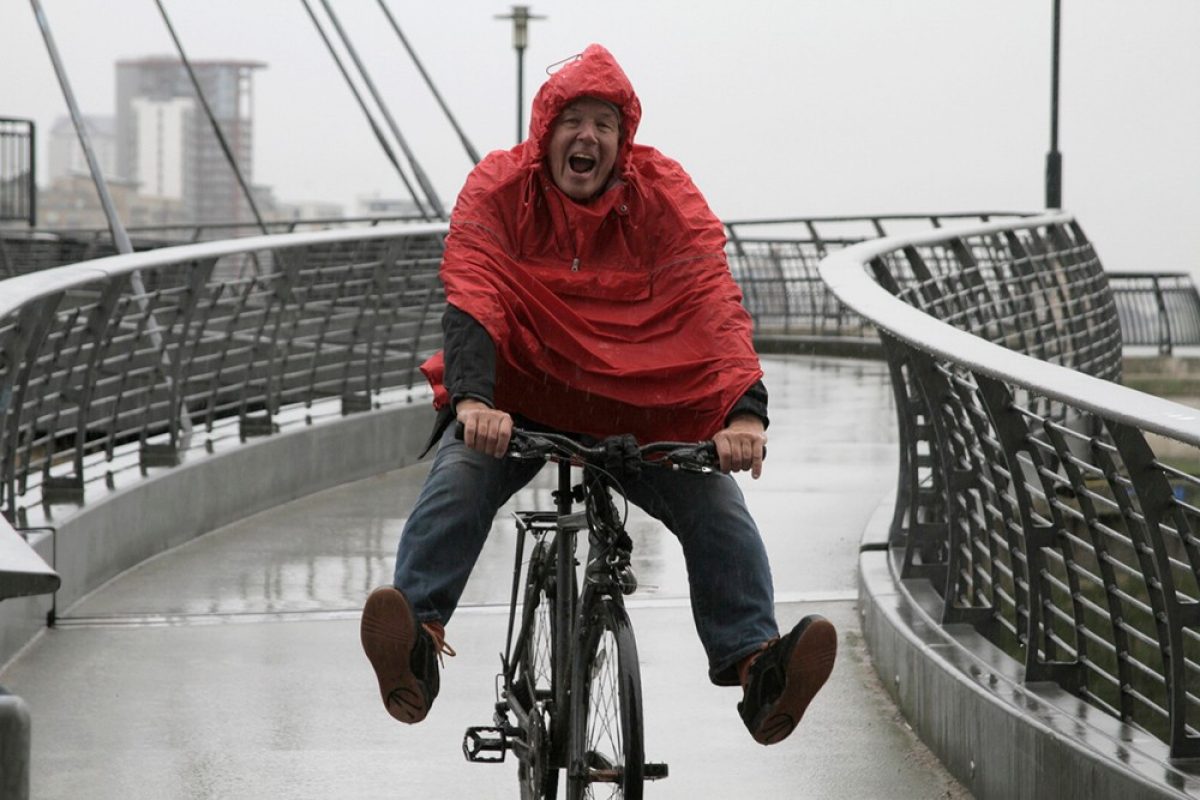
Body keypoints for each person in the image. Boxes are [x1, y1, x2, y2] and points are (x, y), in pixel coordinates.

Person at [360, 43, 836, 746]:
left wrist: (744, 409)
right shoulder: (498, 188)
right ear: (545, 131)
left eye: (604, 125)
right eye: (572, 121)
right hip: (518, 399)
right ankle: (415, 647)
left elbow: (712, 300)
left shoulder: (664, 195)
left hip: (641, 411)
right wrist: (471, 402)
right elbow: (473, 292)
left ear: (623, 143)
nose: (587, 137)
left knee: (716, 509)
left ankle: (759, 670)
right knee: (459, 479)